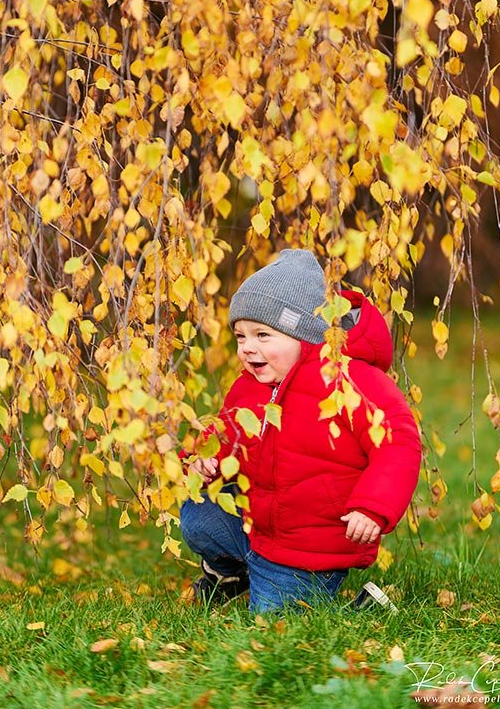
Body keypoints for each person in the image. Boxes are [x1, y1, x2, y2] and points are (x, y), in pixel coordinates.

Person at [180, 249, 421, 612]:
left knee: (274, 623)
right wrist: (203, 458)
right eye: (241, 336)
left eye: (262, 334)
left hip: (310, 546)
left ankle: (364, 609)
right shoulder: (251, 384)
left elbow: (398, 441)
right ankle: (230, 573)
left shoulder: (348, 382)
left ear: (305, 335)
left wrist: (373, 507)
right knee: (199, 515)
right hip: (261, 525)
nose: (247, 348)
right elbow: (228, 432)